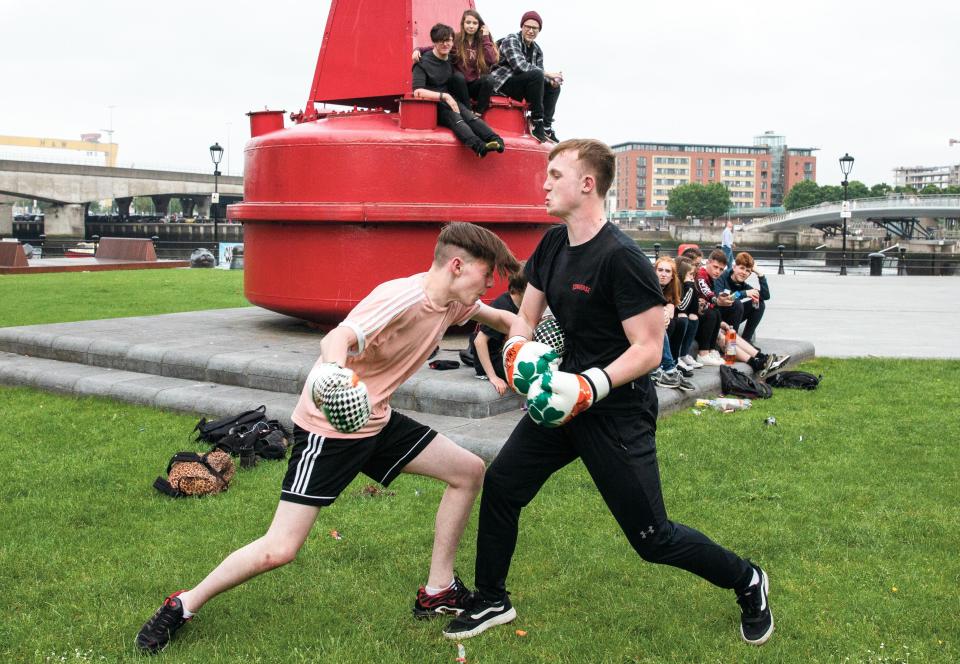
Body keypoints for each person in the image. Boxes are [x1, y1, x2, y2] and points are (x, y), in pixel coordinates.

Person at [443, 139, 774, 646]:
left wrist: (589, 386)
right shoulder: (553, 245)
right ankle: (492, 597)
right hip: (561, 398)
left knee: (652, 538)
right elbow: (527, 317)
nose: (545, 183)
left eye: (555, 174)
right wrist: (517, 354)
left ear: (587, 184)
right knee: (504, 483)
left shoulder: (622, 258)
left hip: (615, 408)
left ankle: (748, 579)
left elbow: (647, 348)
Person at [136, 222, 521, 654]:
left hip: (377, 421)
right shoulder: (401, 298)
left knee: (469, 471)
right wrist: (338, 373)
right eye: (487, 274)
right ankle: (183, 604)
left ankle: (438, 591)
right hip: (331, 431)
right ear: (456, 265)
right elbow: (337, 337)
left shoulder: (451, 303)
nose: (491, 284)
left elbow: (506, 318)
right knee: (279, 549)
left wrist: (532, 340)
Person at [413, 24, 504, 158]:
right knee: (456, 119)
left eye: (449, 40)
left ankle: (496, 140)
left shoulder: (452, 57)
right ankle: (479, 147)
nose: (446, 44)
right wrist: (444, 96)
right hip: (434, 104)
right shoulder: (422, 62)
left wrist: (486, 37)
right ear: (434, 42)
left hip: (451, 99)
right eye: (441, 41)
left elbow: (489, 59)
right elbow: (417, 91)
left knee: (469, 116)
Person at [488, 11, 562, 143]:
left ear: (539, 31)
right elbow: (520, 66)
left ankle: (546, 126)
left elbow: (539, 77)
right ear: (522, 27)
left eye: (535, 28)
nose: (531, 31)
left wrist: (552, 81)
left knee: (553, 87)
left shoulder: (537, 50)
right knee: (538, 74)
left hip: (523, 85)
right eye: (528, 27)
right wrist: (547, 74)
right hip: (503, 84)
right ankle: (536, 120)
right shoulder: (511, 39)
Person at [413, 10, 500, 114]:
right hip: (458, 85)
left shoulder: (482, 42)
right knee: (458, 76)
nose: (471, 26)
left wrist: (485, 37)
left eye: (475, 23)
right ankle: (468, 112)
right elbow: (438, 46)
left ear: (479, 25)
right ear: (463, 23)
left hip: (473, 85)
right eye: (468, 22)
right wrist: (418, 49)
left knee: (489, 79)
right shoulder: (456, 40)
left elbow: (492, 60)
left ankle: (478, 113)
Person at [471, 262, 527, 395]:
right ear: (522, 288)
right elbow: (479, 341)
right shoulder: (503, 305)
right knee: (525, 375)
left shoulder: (526, 305)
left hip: (509, 353)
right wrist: (493, 377)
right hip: (492, 356)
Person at [650, 256, 694, 390]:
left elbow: (674, 306)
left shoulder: (674, 287)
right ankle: (667, 369)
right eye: (660, 270)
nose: (663, 274)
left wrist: (667, 311)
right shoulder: (648, 284)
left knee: (680, 321)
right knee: (661, 322)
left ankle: (669, 366)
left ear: (673, 276)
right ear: (654, 271)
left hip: (659, 323)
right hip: (640, 322)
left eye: (667, 271)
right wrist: (662, 313)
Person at [714, 251, 770, 344]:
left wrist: (760, 275)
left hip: (731, 317)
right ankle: (731, 344)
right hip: (717, 316)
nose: (744, 273)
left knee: (759, 304)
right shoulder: (722, 277)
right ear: (734, 267)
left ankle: (746, 342)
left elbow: (765, 296)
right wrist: (744, 293)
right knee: (737, 303)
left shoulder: (742, 284)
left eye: (747, 270)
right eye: (742, 268)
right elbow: (721, 298)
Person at [694, 249, 735, 366]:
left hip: (700, 309)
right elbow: (705, 291)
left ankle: (711, 350)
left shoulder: (711, 278)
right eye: (715, 267)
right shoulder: (701, 274)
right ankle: (703, 354)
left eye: (721, 269)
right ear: (708, 262)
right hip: (693, 311)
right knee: (712, 313)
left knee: (716, 312)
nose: (717, 272)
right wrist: (716, 300)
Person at [674, 256, 702, 371]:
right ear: (682, 273)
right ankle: (676, 356)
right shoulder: (677, 285)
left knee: (694, 317)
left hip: (680, 314)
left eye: (694, 275)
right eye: (690, 274)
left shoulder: (688, 284)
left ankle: (684, 354)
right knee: (683, 316)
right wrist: (689, 287)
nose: (692, 277)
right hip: (673, 315)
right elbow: (681, 308)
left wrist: (692, 287)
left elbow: (694, 309)